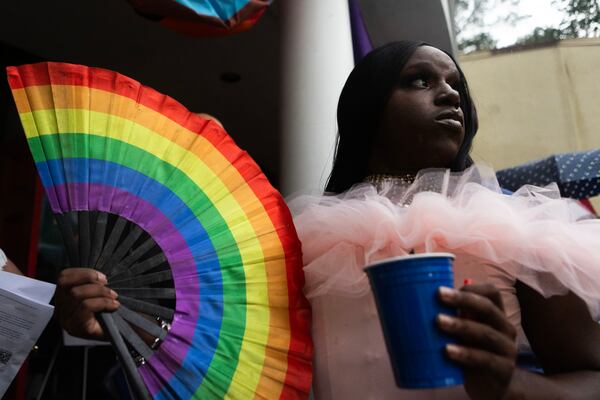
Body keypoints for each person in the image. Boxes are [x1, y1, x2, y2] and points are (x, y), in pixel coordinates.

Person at [289, 41, 600, 399]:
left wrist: (513, 386)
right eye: (419, 81)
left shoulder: (514, 227)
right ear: (367, 107)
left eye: (457, 86)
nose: (450, 94)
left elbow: (592, 375)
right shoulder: (302, 243)